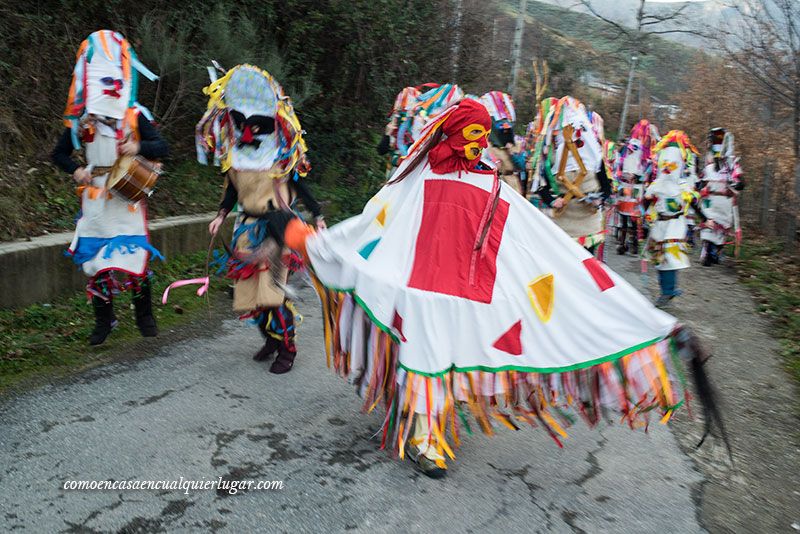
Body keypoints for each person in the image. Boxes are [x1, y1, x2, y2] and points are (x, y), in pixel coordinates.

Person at [286, 99, 721, 478]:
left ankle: (427, 428)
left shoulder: (490, 184)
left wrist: (644, 319)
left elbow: (546, 245)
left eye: (484, 135)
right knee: (426, 357)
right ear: (453, 134)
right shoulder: (414, 179)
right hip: (418, 293)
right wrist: (320, 244)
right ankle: (424, 440)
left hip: (467, 297)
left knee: (440, 360)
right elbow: (374, 224)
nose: (479, 144)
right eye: (472, 135)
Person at [198, 64, 324, 374]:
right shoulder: (236, 160)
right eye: (241, 122)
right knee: (250, 296)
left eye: (256, 124)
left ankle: (288, 348)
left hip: (276, 232)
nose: (247, 132)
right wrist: (221, 215)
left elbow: (302, 187)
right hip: (246, 231)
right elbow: (232, 191)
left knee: (272, 295)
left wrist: (318, 216)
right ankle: (270, 338)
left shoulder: (281, 160)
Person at [52, 30, 167, 346]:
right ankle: (104, 321)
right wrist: (76, 169)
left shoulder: (134, 116)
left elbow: (162, 146)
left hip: (126, 201)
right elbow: (58, 154)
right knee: (96, 264)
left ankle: (145, 317)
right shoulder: (80, 121)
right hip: (97, 201)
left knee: (134, 261)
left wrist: (138, 146)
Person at [531, 96, 612, 255]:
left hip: (588, 220)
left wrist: (600, 199)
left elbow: (606, 186)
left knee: (586, 265)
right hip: (562, 219)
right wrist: (552, 201)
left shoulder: (594, 155)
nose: (576, 135)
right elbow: (541, 185)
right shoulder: (550, 155)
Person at [644, 131, 704, 307]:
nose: (668, 167)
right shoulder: (657, 184)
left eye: (672, 164)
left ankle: (668, 291)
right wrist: (645, 213)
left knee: (671, 256)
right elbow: (648, 201)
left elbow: (693, 204)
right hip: (659, 224)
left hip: (675, 224)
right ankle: (667, 290)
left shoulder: (683, 186)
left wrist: (704, 219)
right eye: (665, 163)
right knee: (659, 259)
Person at [698, 128, 744, 266]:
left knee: (720, 227)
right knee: (709, 225)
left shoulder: (732, 166)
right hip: (711, 200)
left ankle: (715, 251)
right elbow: (701, 182)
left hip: (723, 201)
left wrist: (735, 184)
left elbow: (740, 183)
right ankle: (708, 250)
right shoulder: (710, 166)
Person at [613, 120, 659, 255]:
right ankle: (623, 242)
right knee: (626, 214)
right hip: (627, 185)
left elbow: (649, 169)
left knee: (633, 215)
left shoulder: (647, 151)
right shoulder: (628, 148)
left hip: (634, 186)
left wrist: (637, 177)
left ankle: (631, 243)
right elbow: (618, 165)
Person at [480, 91, 527, 195]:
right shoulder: (486, 146)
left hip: (513, 185)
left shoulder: (516, 143)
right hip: (496, 185)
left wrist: (512, 152)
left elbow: (521, 166)